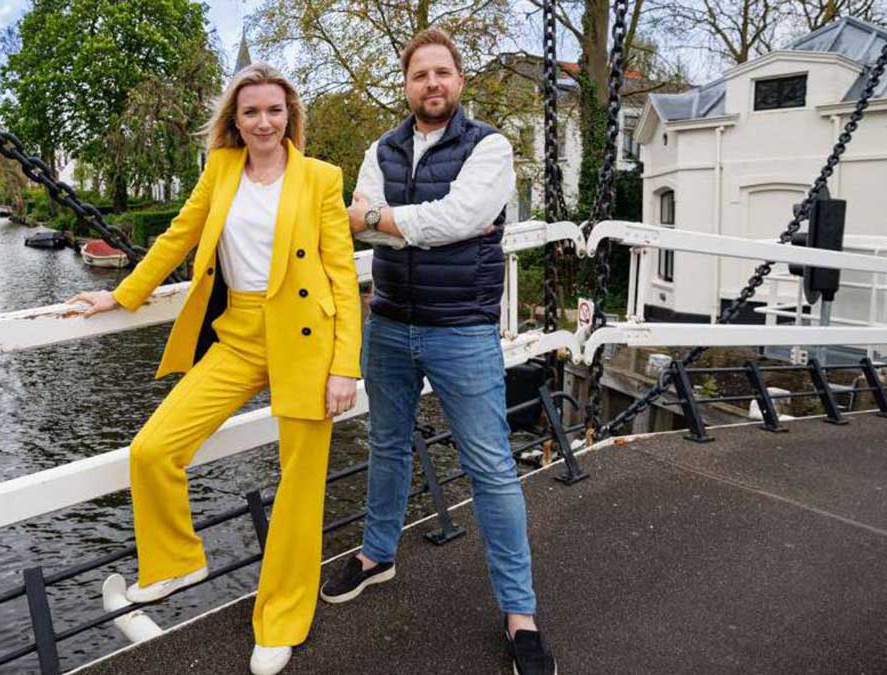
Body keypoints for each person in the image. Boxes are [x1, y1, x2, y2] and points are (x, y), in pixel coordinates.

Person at [69, 63, 361, 675]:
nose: (264, 122)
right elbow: (177, 237)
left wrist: (345, 367)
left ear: (290, 116)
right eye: (251, 111)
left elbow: (341, 274)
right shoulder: (221, 169)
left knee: (299, 490)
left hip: (307, 339)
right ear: (235, 119)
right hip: (239, 335)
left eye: (274, 110)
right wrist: (121, 295)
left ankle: (281, 621)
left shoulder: (320, 177)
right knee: (154, 448)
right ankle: (177, 561)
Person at [317, 28, 557, 675]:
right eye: (420, 74)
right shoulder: (381, 149)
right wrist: (421, 224)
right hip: (389, 323)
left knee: (490, 466)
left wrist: (388, 220)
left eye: (442, 72)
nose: (432, 83)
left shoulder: (489, 146)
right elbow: (372, 222)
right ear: (406, 84)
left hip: (462, 329)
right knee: (387, 444)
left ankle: (520, 613)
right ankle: (377, 553)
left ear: (459, 80)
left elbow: (458, 217)